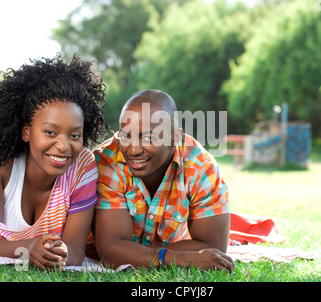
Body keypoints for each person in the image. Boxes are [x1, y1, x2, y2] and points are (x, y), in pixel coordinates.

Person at [0, 54, 108, 270]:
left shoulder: (83, 166)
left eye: (75, 135)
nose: (64, 146)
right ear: (26, 132)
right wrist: (27, 248)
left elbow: (75, 248)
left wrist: (58, 254)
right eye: (50, 132)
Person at [91, 89, 234, 271]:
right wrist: (179, 258)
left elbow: (213, 251)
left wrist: (133, 253)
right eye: (126, 135)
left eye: (148, 137)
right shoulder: (107, 162)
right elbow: (110, 252)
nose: (133, 149)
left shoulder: (201, 167)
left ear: (175, 137)